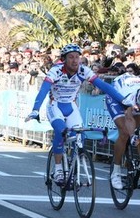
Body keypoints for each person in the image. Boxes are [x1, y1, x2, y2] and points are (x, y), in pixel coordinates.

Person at [25, 43, 137, 184]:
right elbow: (43, 90)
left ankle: (74, 164)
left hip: (71, 106)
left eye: (77, 57)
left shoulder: (84, 70)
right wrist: (35, 110)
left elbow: (104, 86)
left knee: (80, 135)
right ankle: (58, 168)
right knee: (61, 130)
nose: (74, 60)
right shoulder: (55, 71)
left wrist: (123, 100)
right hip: (55, 106)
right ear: (64, 59)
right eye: (71, 57)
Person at [105, 63, 140, 189]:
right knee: (125, 133)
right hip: (116, 99)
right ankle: (116, 171)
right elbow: (129, 118)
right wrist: (133, 136)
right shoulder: (132, 97)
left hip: (133, 98)